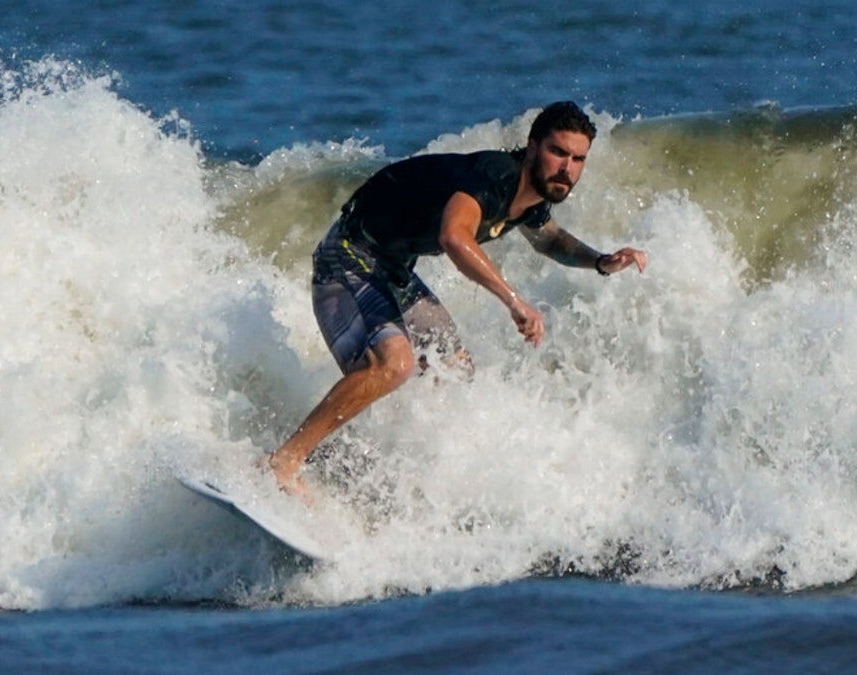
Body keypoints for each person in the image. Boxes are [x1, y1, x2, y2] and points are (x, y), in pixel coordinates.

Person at [264, 101, 648, 502]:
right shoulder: (494, 177)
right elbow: (454, 236)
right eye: (558, 152)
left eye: (577, 159)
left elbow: (551, 240)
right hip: (349, 254)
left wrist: (601, 262)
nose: (566, 168)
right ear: (533, 147)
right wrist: (514, 302)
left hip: (392, 268)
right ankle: (285, 461)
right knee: (393, 364)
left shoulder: (530, 201)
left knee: (453, 370)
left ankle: (370, 473)